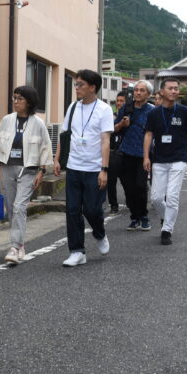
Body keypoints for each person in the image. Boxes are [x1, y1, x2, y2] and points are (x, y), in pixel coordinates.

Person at [53, 69, 114, 267]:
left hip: (95, 168)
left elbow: (105, 141)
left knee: (92, 209)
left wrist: (104, 169)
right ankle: (77, 251)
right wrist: (56, 159)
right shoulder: (72, 107)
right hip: (73, 166)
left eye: (80, 84)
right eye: (76, 84)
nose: (76, 88)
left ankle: (99, 233)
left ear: (92, 87)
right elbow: (66, 135)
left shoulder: (104, 109)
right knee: (72, 210)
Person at [0, 85, 52, 265]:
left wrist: (42, 171)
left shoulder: (38, 123)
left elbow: (45, 147)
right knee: (10, 207)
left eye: (20, 99)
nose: (15, 102)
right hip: (8, 168)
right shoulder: (7, 120)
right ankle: (20, 243)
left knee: (19, 207)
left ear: (29, 102)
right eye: (14, 98)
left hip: (28, 170)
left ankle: (14, 247)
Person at [143, 78, 187, 246]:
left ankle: (167, 230)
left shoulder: (184, 111)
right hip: (159, 160)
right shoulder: (153, 113)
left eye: (176, 88)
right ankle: (165, 218)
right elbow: (148, 135)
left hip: (179, 159)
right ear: (161, 91)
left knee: (173, 196)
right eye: (170, 88)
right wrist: (146, 156)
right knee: (156, 198)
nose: (174, 91)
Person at [114, 81, 156, 231]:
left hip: (143, 154)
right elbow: (113, 129)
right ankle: (134, 217)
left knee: (140, 186)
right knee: (128, 187)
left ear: (148, 94)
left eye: (142, 90)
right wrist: (121, 125)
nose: (138, 93)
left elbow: (154, 133)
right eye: (136, 90)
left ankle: (143, 216)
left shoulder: (152, 111)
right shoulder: (126, 108)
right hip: (125, 152)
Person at [106, 90, 128, 215]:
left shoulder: (130, 116)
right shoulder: (111, 116)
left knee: (126, 181)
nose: (119, 103)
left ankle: (130, 201)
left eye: (122, 101)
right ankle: (114, 205)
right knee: (111, 181)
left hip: (125, 153)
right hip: (112, 152)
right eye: (117, 101)